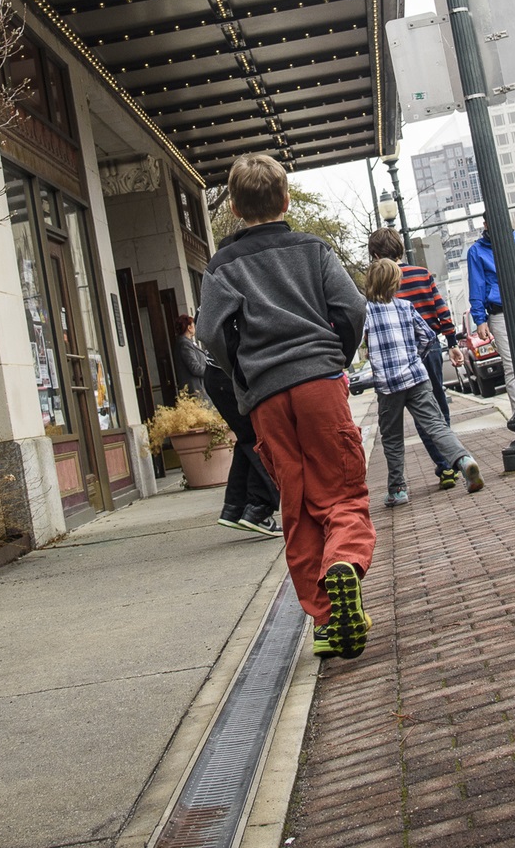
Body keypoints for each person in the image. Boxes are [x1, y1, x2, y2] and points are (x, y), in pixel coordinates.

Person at [196, 155, 373, 660]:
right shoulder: (313, 250)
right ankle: (344, 560)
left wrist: (243, 373)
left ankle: (323, 620)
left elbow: (211, 332)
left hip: (266, 397)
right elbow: (352, 308)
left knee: (295, 506)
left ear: (232, 207)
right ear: (287, 199)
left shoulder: (222, 266)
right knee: (341, 490)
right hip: (318, 382)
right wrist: (335, 354)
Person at [361, 258, 485, 504]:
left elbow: (358, 339)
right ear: (396, 283)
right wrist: (414, 357)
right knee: (436, 425)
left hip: (388, 386)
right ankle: (464, 460)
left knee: (392, 437)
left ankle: (397, 490)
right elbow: (428, 337)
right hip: (416, 378)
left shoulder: (365, 312)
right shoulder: (406, 307)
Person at [366, 228, 462, 488]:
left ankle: (445, 468)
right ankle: (455, 459)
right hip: (429, 350)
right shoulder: (422, 274)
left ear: (375, 255)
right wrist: (452, 342)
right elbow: (441, 310)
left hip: (400, 357)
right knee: (437, 408)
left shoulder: (382, 282)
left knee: (422, 416)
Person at [174, 314, 281, 538]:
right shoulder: (227, 282)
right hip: (226, 376)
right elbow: (208, 329)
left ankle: (235, 508)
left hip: (223, 376)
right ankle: (257, 509)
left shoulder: (227, 283)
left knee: (247, 438)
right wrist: (233, 366)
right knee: (258, 438)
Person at [465, 228, 515, 414]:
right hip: (499, 313)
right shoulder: (476, 251)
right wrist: (480, 320)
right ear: (485, 223)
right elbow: (476, 287)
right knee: (512, 369)